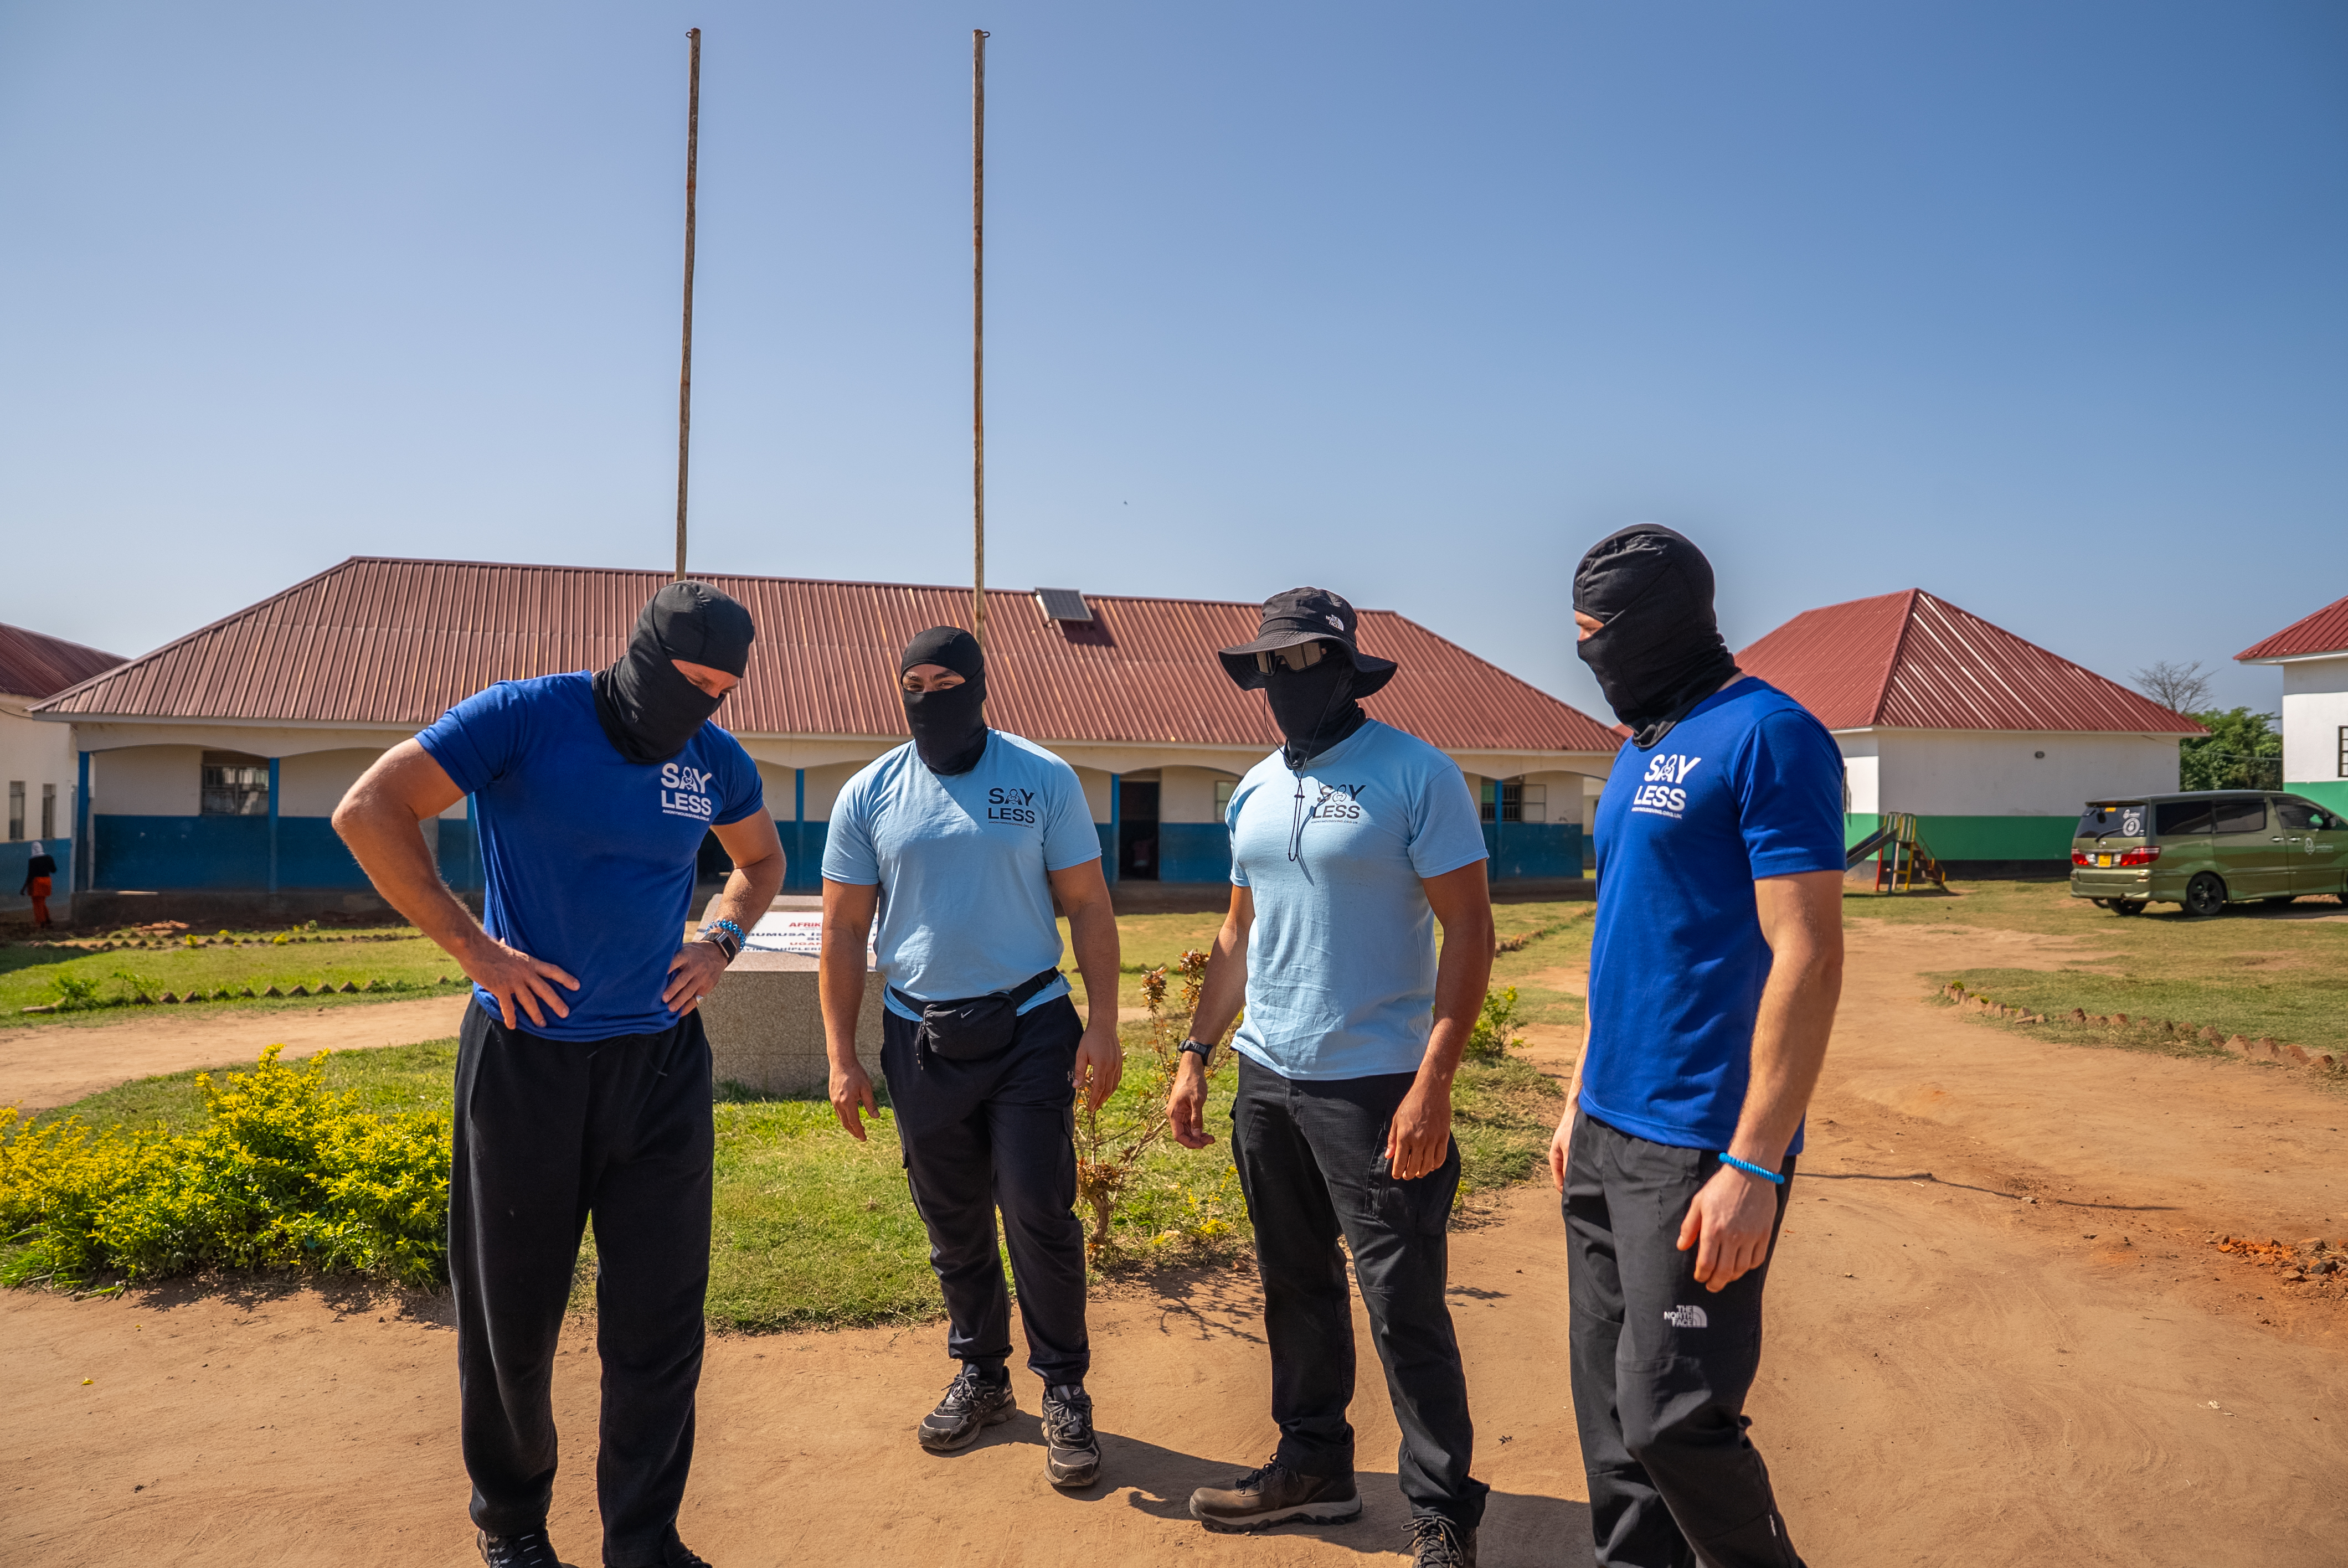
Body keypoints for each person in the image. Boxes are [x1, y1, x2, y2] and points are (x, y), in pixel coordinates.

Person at [334, 581, 784, 1568]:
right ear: (641, 656)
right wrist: (476, 949)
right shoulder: (523, 716)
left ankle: (644, 1537)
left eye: (720, 689)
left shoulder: (711, 758)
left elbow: (760, 862)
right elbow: (370, 809)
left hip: (660, 1064)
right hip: (527, 1059)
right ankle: (513, 1527)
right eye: (688, 681)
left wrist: (719, 940)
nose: (700, 705)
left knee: (661, 1318)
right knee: (514, 1315)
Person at [1167, 587, 1495, 1568]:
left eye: (1308, 662)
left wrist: (1432, 1080)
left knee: (1405, 1303)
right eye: (1273, 665)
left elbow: (1469, 930)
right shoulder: (1254, 786)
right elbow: (1238, 932)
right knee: (1295, 1283)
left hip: (1377, 1083)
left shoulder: (1415, 774)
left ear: (1349, 667)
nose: (1286, 681)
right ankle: (1315, 1466)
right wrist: (1196, 1052)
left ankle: (1441, 1510)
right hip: (1268, 1077)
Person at [1547, 526, 1845, 1568]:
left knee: (1673, 1413)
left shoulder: (1771, 735)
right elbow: (1628, 929)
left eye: (1598, 634)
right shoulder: (1640, 747)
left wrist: (1756, 1161)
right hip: (1606, 1129)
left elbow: (1806, 955)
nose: (1587, 656)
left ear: (1661, 623)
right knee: (1612, 1425)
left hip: (1699, 1141)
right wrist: (1579, 1088)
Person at [820, 626, 1124, 1489]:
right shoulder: (870, 792)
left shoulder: (1042, 777)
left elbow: (1089, 908)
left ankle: (1064, 1387)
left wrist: (1103, 1023)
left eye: (946, 679)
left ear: (979, 685)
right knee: (951, 1217)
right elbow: (843, 930)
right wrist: (843, 1055)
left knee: (1037, 1207)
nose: (928, 694)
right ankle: (984, 1376)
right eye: (912, 680)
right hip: (920, 1036)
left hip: (1029, 1023)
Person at [19, 842, 57, 929]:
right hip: (47, 881)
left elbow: (31, 875)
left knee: (37, 902)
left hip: (37, 882)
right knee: (42, 901)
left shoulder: (32, 860)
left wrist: (24, 888)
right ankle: (47, 919)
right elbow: (54, 870)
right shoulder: (49, 858)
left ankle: (41, 922)